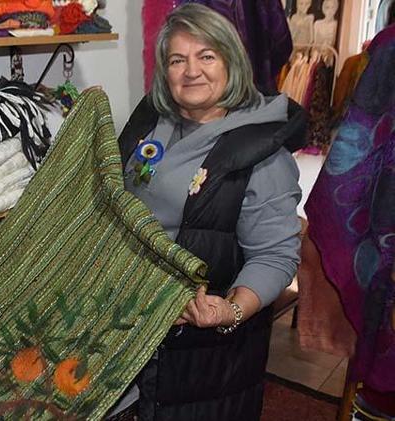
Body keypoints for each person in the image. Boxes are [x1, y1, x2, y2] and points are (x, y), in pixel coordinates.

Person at [117, 4, 306, 420]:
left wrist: (229, 310)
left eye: (206, 56)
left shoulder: (261, 152)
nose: (191, 71)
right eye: (177, 59)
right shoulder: (151, 120)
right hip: (132, 326)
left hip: (199, 357)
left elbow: (275, 256)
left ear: (231, 61)